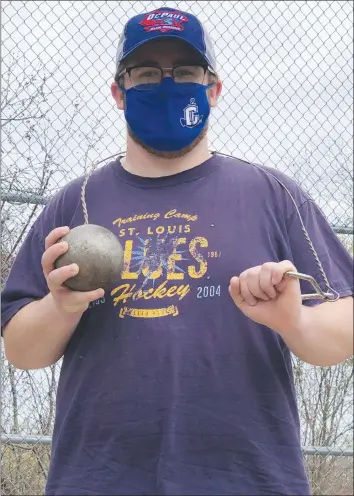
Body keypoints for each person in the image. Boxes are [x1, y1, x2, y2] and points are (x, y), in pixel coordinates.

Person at [1, 6, 353, 496]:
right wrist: (60, 307)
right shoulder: (74, 203)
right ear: (117, 92)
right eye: (146, 74)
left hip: (248, 480)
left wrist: (293, 322)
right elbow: (21, 351)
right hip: (98, 480)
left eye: (185, 72)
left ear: (214, 88)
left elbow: (344, 326)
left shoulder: (273, 194)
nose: (167, 85)